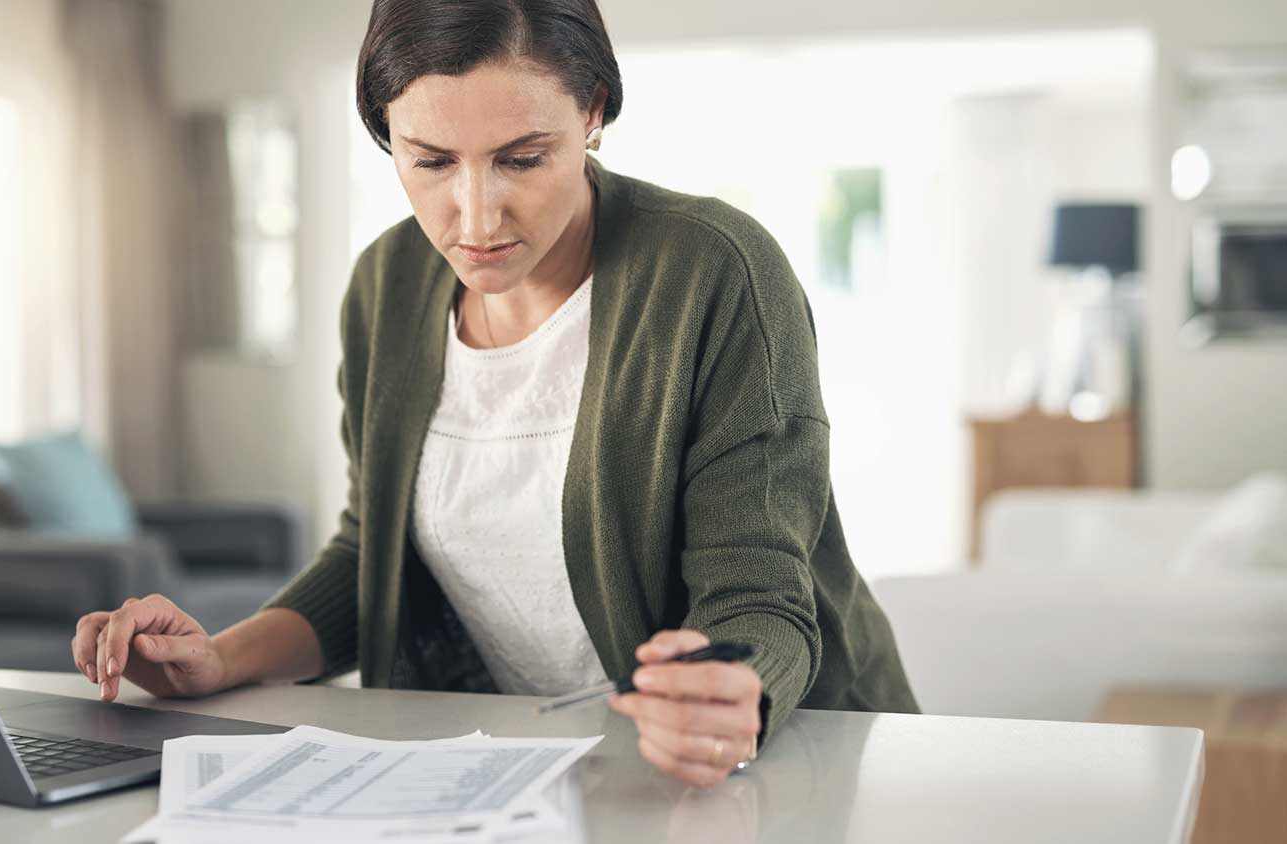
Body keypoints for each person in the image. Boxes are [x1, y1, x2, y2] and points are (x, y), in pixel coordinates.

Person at [71, 0, 918, 788]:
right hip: (553, 770)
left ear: (591, 112)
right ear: (386, 136)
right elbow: (376, 557)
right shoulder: (386, 286)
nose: (475, 218)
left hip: (800, 758)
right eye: (432, 162)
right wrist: (218, 660)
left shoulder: (713, 272)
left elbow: (761, 595)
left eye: (522, 158)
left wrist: (735, 687)